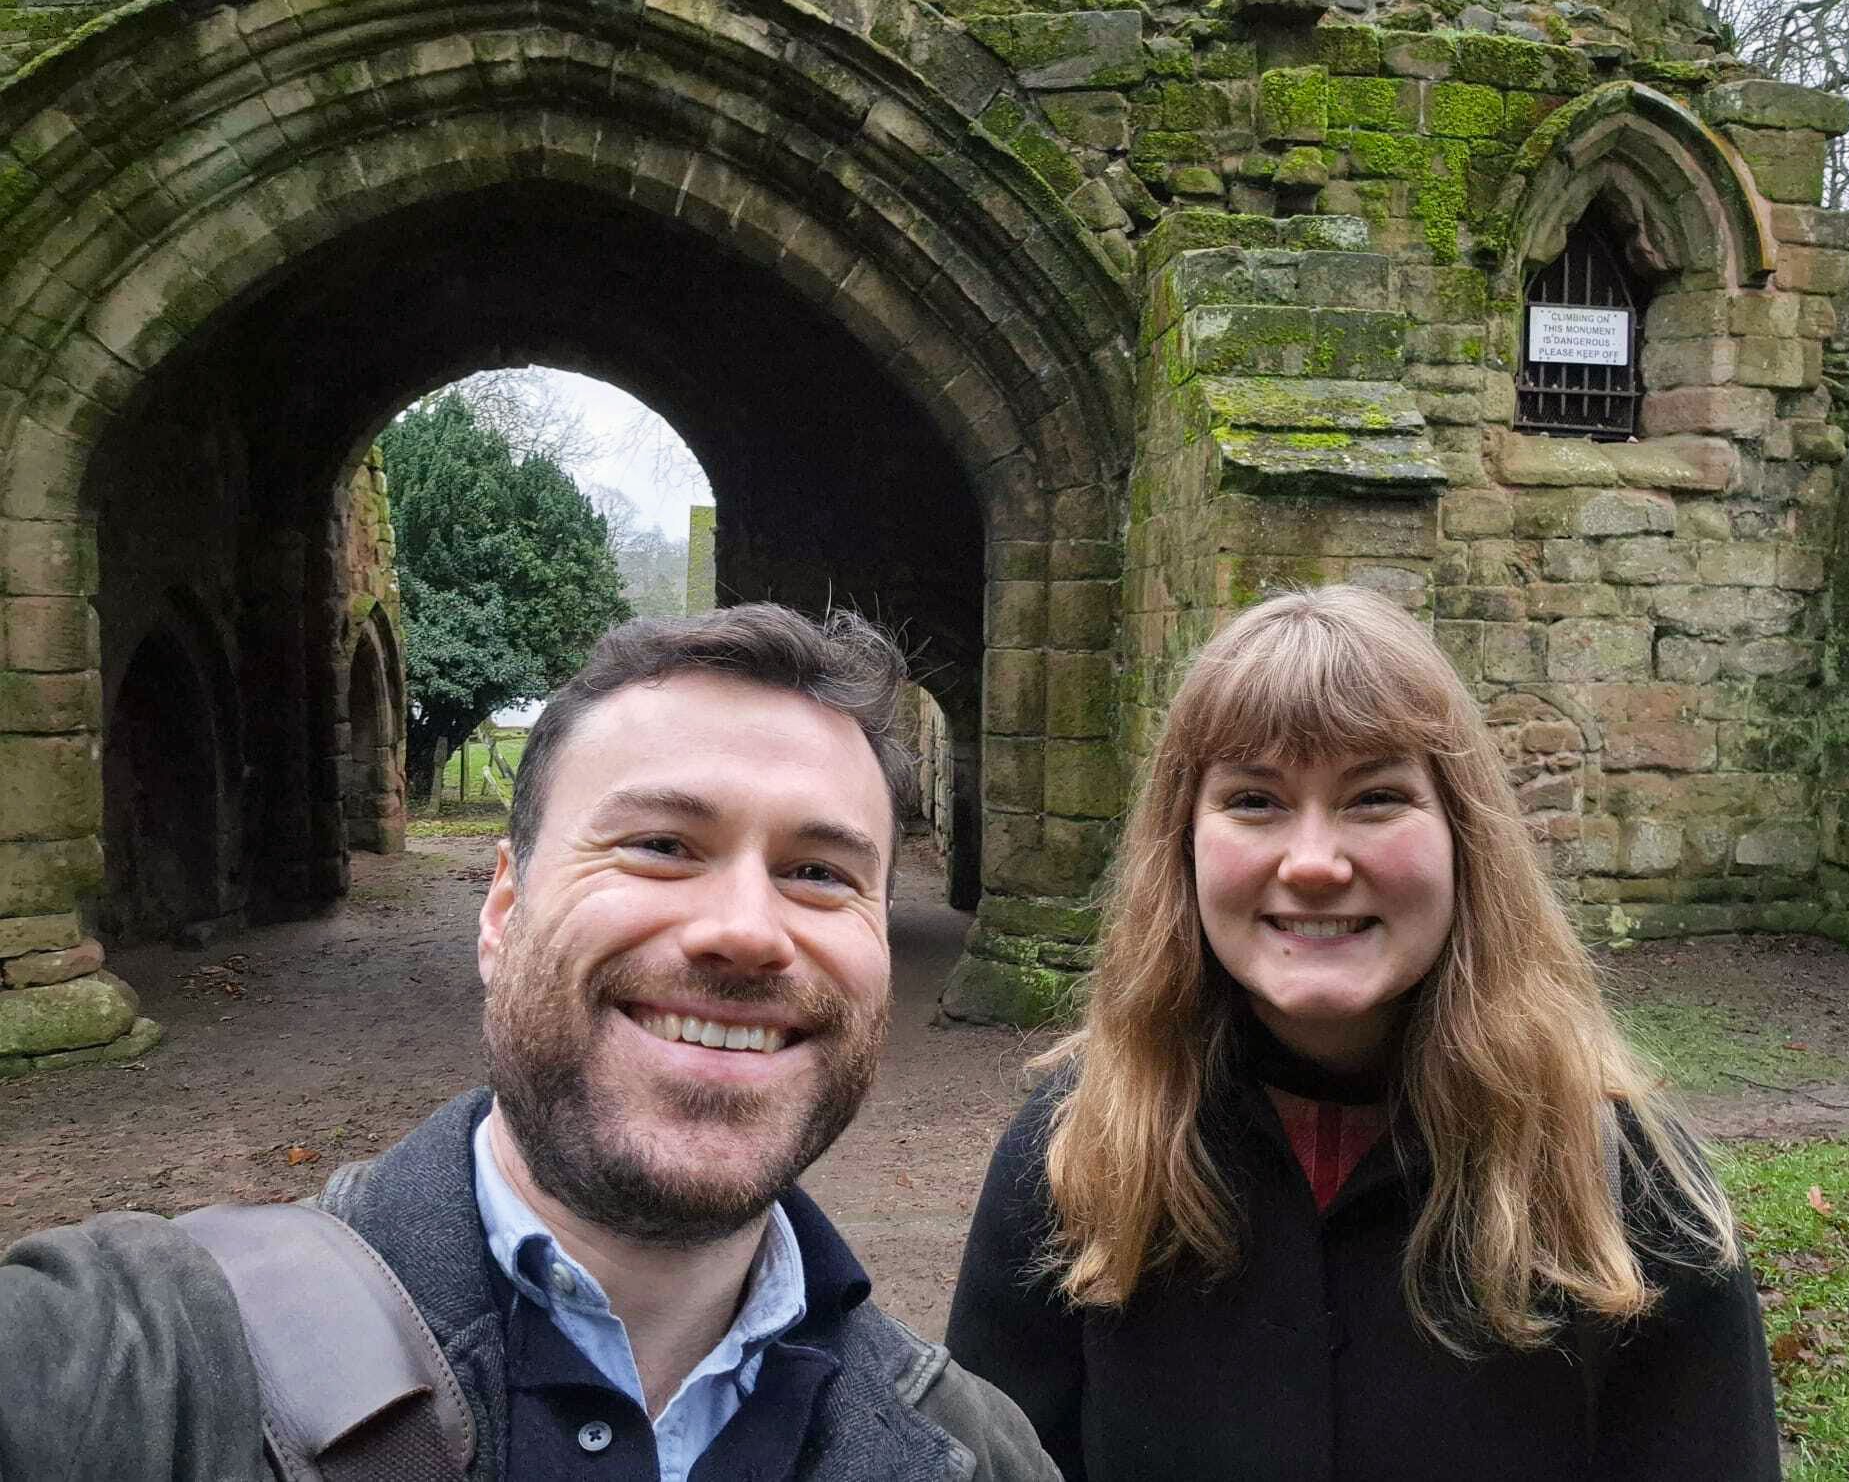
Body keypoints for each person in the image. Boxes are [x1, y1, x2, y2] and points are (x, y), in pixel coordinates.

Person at [2, 604, 1058, 1482]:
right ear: (502, 911)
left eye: (820, 872)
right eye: (659, 846)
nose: (744, 928)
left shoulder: (975, 1454)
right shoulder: (127, 1365)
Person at [945, 585, 1782, 1482]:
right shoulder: (1072, 1157)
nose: (1313, 863)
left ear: (1464, 836)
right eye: (1255, 800)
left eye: (1376, 797)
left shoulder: (1631, 1190)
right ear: (1181, 845)